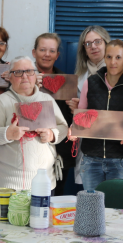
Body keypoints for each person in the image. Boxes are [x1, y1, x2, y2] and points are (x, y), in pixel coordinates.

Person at [68, 40, 123, 191]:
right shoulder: (90, 82)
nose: (113, 62)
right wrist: (73, 128)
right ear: (104, 58)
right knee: (92, 208)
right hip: (90, 159)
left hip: (120, 160)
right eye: (109, 57)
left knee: (118, 210)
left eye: (118, 57)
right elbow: (82, 114)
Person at [0, 56, 68, 192]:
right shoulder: (2, 101)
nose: (24, 76)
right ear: (10, 77)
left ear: (36, 75)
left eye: (29, 71)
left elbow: (63, 127)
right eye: (18, 72)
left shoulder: (46, 99)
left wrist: (52, 134)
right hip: (8, 183)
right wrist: (7, 133)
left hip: (44, 182)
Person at [32, 33, 74, 194]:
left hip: (59, 154)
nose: (47, 54)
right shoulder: (21, 78)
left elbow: (69, 120)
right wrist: (31, 87)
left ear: (58, 55)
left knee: (54, 201)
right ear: (34, 52)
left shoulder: (66, 81)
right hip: (29, 151)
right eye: (42, 50)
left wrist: (74, 108)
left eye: (52, 51)